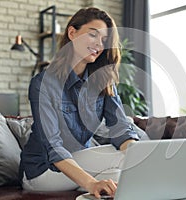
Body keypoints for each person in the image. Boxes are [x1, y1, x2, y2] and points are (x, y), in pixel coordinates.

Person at [19, 7, 140, 198]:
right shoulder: (43, 83)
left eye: (104, 40)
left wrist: (137, 156)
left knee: (119, 176)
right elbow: (54, 148)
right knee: (121, 161)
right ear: (72, 33)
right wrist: (91, 183)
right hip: (43, 171)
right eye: (93, 35)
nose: (99, 45)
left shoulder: (103, 80)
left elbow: (121, 129)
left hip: (80, 161)